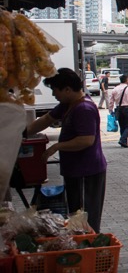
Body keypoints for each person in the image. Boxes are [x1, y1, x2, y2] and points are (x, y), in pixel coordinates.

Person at [26, 68, 108, 232]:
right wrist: (22, 134)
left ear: (68, 89)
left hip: (86, 172)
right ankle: (78, 247)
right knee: (74, 216)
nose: (54, 95)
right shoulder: (68, 105)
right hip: (74, 171)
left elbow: (86, 140)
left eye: (55, 91)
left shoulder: (84, 109)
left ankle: (89, 248)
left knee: (85, 217)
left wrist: (57, 146)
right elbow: (47, 119)